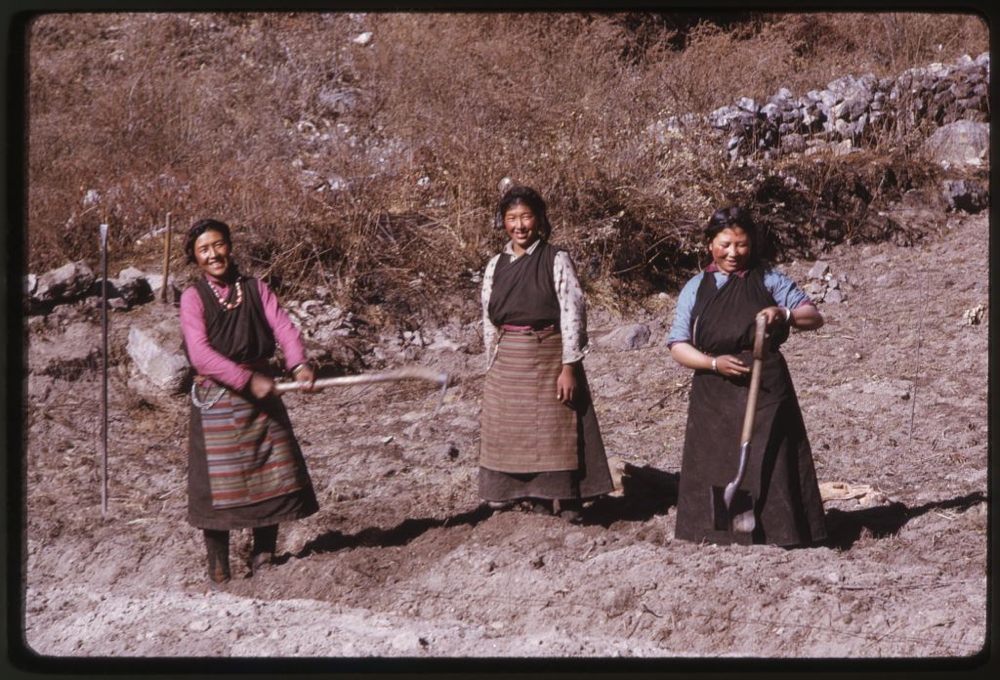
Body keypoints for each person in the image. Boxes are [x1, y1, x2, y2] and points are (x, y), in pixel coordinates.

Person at [667, 206, 827, 547]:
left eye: (741, 244)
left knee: (772, 459)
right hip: (714, 392)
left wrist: (783, 313)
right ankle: (721, 534)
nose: (733, 253)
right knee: (717, 463)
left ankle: (780, 534)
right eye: (725, 244)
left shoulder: (769, 279)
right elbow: (678, 345)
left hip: (766, 386)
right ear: (710, 244)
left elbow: (813, 317)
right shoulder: (695, 287)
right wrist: (713, 364)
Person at [179, 218, 319, 585]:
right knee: (215, 490)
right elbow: (200, 355)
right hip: (216, 400)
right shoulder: (193, 298)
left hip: (263, 396)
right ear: (195, 258)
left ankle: (264, 558)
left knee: (271, 478)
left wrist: (299, 364)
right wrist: (245, 379)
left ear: (230, 246)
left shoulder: (256, 288)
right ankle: (219, 566)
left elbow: (284, 329)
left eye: (218, 245)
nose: (213, 255)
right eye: (204, 250)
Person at [479, 185, 613, 522]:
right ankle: (533, 500)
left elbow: (572, 312)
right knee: (516, 432)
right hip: (509, 358)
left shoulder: (556, 258)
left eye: (526, 217)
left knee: (557, 431)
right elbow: (487, 317)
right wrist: (491, 363)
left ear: (539, 220)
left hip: (550, 354)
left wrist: (569, 365)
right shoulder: (496, 265)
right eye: (512, 218)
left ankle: (567, 503)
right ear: (503, 222)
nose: (520, 225)